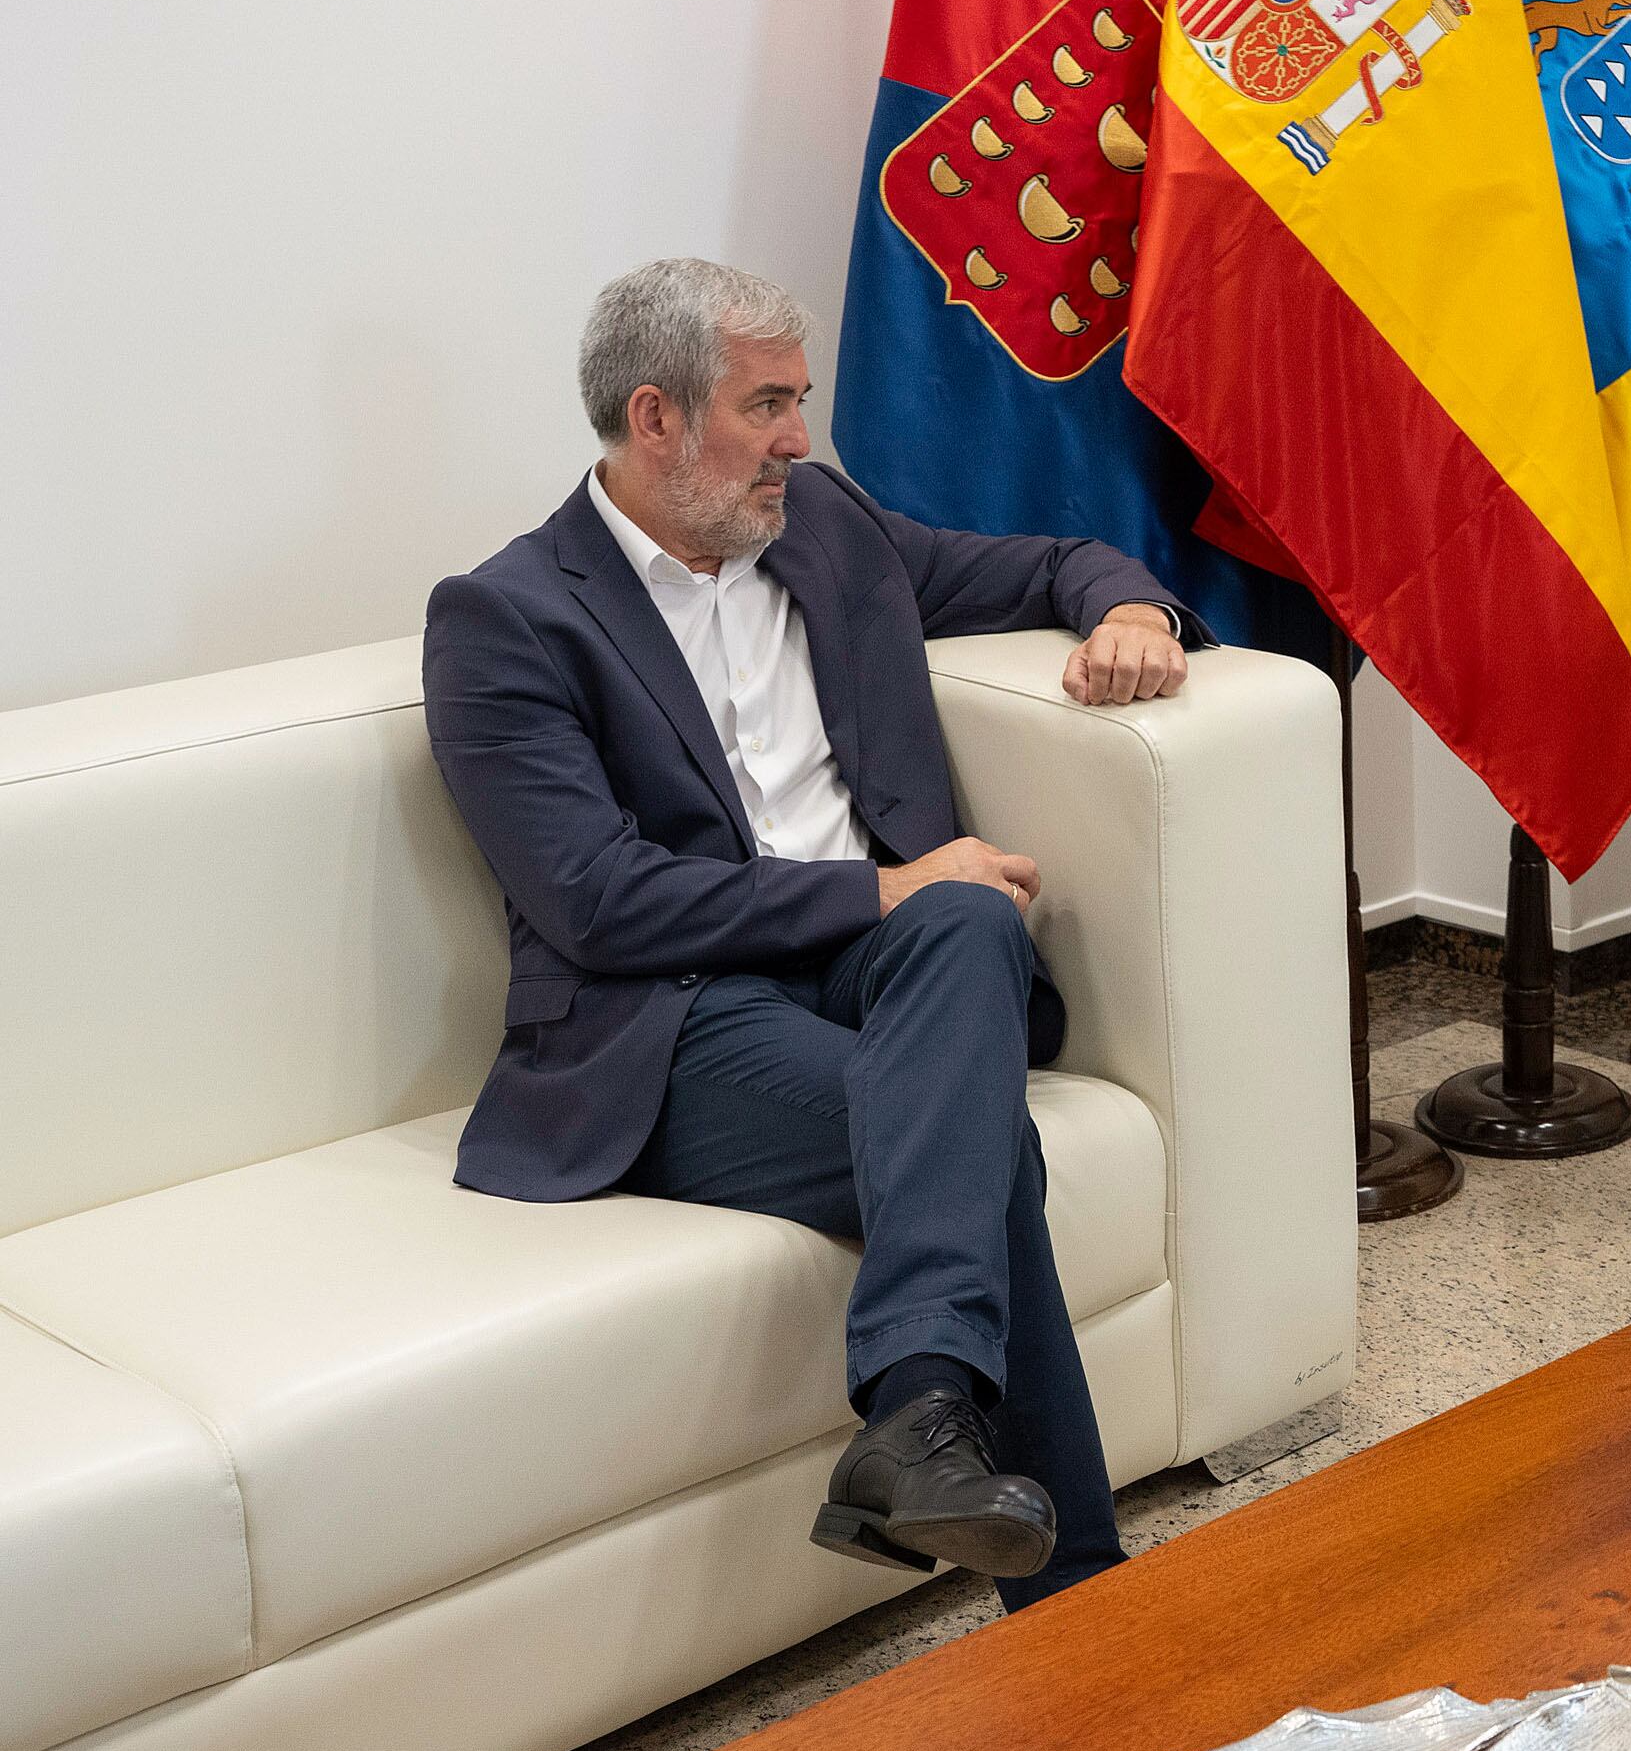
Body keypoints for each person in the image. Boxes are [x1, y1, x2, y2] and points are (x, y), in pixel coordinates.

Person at [422, 257, 1201, 1608]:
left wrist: (1129, 608)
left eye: (800, 401)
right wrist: (879, 891)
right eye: (767, 405)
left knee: (969, 920)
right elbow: (599, 899)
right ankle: (1072, 1592)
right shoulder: (507, 618)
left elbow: (1049, 561)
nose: (798, 437)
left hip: (875, 972)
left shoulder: (824, 525)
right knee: (982, 1143)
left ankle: (919, 1438)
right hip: (674, 1019)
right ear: (655, 418)